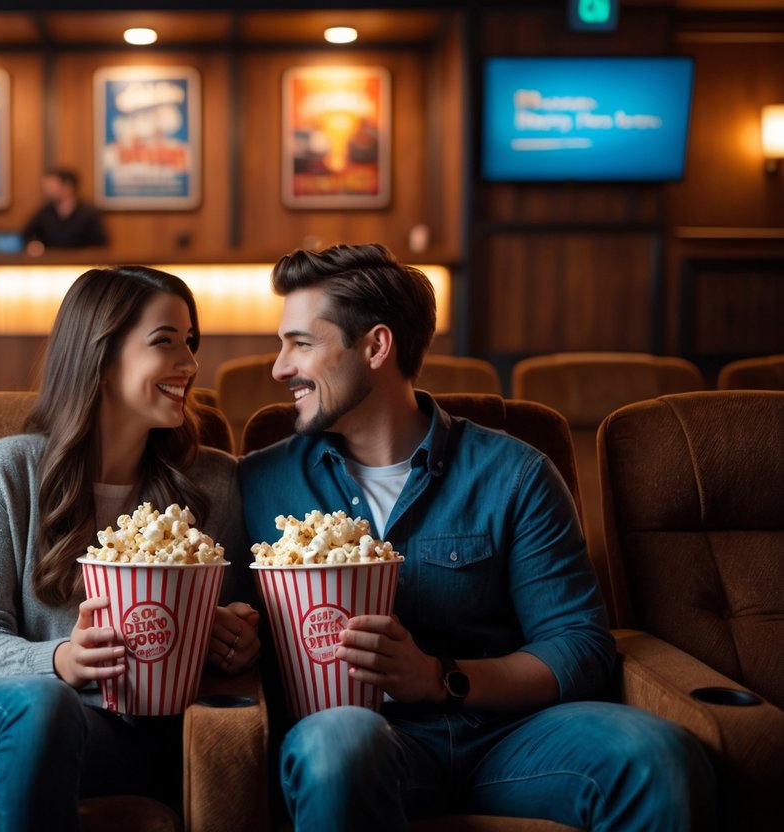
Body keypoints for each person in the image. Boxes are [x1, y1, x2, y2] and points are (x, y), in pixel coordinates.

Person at [238, 243, 715, 831]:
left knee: (658, 757)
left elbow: (578, 647)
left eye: (301, 344)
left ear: (376, 346)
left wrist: (439, 677)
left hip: (510, 738)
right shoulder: (260, 483)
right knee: (339, 743)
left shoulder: (514, 474)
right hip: (364, 741)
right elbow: (239, 629)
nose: (280, 367)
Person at [0, 265, 260, 831]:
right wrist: (58, 661)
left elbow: (202, 644)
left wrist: (233, 638)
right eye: (165, 343)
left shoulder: (214, 486)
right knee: (44, 706)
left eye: (190, 343)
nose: (189, 363)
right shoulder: (8, 470)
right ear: (101, 358)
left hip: (111, 737)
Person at [22, 168, 108, 252]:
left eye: (51, 185)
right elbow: (28, 234)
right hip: (51, 261)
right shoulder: (44, 211)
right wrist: (34, 244)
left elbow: (100, 243)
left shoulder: (89, 212)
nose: (47, 189)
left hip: (82, 262)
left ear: (68, 186)